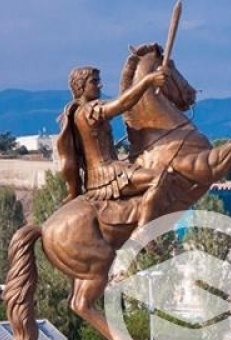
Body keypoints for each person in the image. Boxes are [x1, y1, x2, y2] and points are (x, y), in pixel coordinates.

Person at [56, 65, 169, 228]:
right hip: (107, 174)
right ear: (81, 86)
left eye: (98, 81)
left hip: (110, 169)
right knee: (159, 178)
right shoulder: (89, 111)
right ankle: (144, 230)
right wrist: (147, 81)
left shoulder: (79, 113)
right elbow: (122, 104)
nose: (100, 85)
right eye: (94, 82)